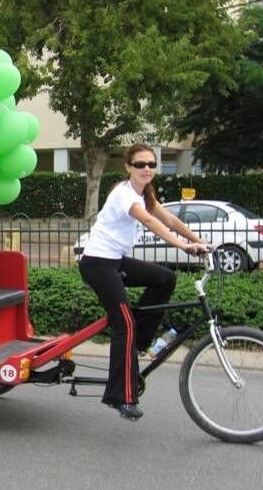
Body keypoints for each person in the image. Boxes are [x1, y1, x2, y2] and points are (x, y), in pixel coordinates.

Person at [78, 144, 210, 421]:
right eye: (140, 164)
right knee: (123, 324)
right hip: (97, 264)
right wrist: (183, 247)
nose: (146, 169)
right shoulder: (124, 194)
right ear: (128, 167)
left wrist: (198, 241)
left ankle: (137, 343)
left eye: (151, 164)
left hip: (116, 261)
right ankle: (121, 397)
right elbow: (149, 221)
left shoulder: (145, 194)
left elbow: (170, 220)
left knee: (165, 278)